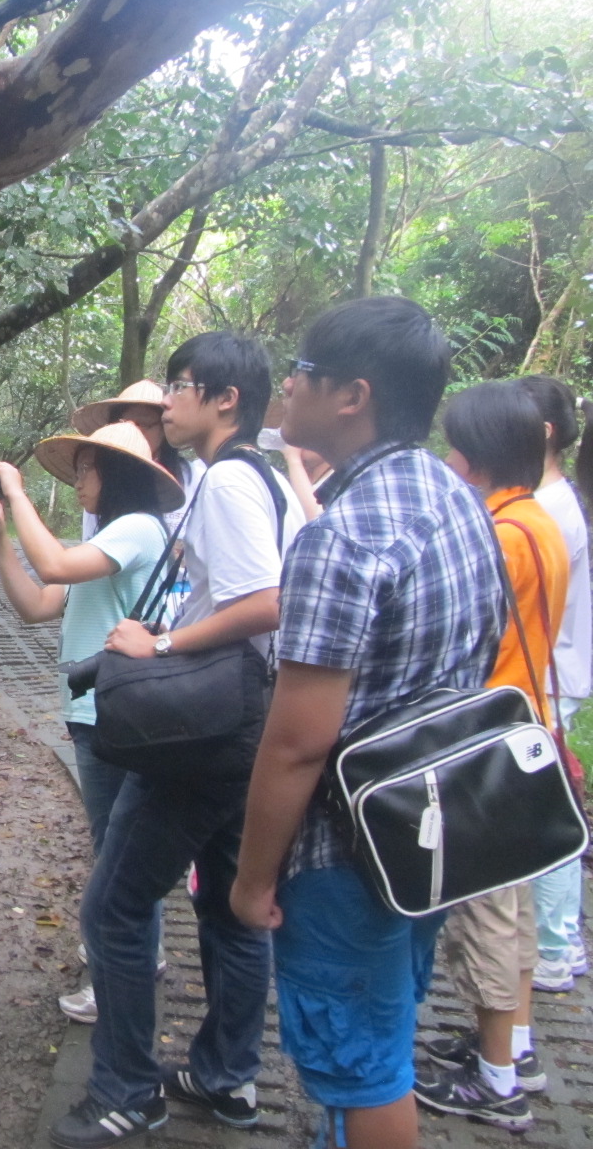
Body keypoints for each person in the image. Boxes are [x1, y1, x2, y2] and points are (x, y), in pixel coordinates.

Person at [228, 298, 507, 1149]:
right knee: (382, 1026)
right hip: (434, 826)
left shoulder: (342, 538)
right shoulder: (456, 501)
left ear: (353, 396)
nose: (288, 387)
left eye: (303, 372)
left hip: (345, 852)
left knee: (363, 1064)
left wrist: (251, 879)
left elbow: (298, 742)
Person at [47, 332, 303, 1149]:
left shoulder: (226, 480)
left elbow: (265, 601)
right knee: (228, 905)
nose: (169, 402)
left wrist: (158, 644)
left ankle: (126, 1092)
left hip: (209, 725)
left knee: (115, 905)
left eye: (182, 386)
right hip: (255, 717)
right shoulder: (268, 478)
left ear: (227, 399)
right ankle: (227, 1077)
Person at [0, 420, 185, 1023]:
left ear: (115, 474)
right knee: (118, 847)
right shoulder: (115, 539)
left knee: (117, 853)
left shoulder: (138, 529)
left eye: (86, 469)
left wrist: (17, 493)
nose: (78, 482)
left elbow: (56, 566)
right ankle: (139, 957)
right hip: (100, 712)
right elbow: (38, 604)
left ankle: (118, 978)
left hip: (117, 713)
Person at [411, 381, 568, 1131]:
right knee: (516, 904)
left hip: (486, 744)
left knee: (489, 914)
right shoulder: (539, 522)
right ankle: (514, 1046)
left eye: (453, 447)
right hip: (525, 730)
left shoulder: (500, 535)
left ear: (473, 456)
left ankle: (497, 1079)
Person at [516, 375, 592, 993]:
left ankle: (554, 946)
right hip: (554, 674)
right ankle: (561, 940)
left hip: (550, 677)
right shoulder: (550, 500)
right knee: (549, 805)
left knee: (543, 812)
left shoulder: (550, 511)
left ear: (540, 433)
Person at [73, 379, 202, 538]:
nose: (132, 430)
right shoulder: (102, 484)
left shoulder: (196, 479)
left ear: (164, 429)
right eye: (123, 423)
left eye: (143, 424)